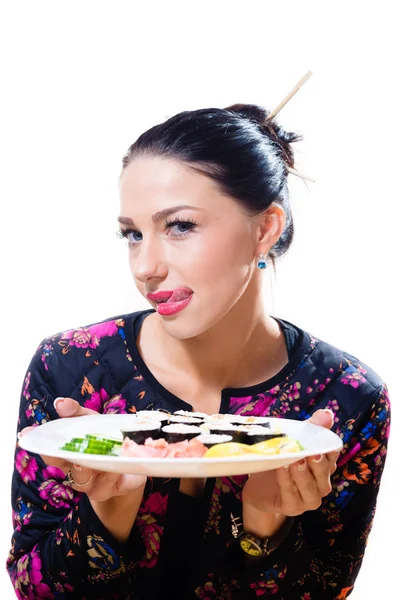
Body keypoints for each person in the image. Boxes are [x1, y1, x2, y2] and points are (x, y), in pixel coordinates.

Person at [7, 100, 390, 600]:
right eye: (132, 234)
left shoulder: (346, 399)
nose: (146, 266)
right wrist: (108, 511)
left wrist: (264, 528)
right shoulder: (72, 366)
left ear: (264, 229)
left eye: (180, 226)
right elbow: (34, 590)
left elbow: (329, 590)